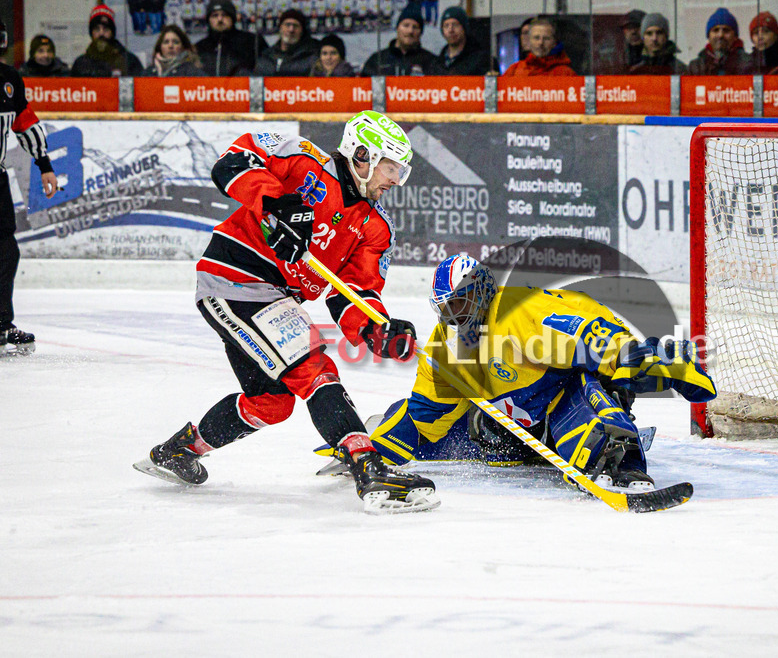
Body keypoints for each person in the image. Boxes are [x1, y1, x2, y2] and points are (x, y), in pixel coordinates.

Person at [133, 110, 437, 513]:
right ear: (362, 155)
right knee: (313, 367)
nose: (396, 180)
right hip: (235, 277)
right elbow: (233, 161)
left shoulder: (376, 227)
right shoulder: (304, 159)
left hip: (274, 296)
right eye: (391, 167)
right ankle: (367, 466)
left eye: (401, 171)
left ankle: (177, 452)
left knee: (270, 403)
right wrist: (276, 203)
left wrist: (377, 329)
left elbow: (352, 293)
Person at [350, 254, 716, 493]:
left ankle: (620, 458)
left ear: (481, 289)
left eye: (460, 303)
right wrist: (370, 453)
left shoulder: (517, 312)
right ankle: (373, 433)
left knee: (586, 412)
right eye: (446, 310)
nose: (455, 317)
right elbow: (427, 415)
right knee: (441, 436)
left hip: (566, 387)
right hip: (516, 422)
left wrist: (631, 358)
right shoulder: (446, 347)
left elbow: (588, 334)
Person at [0, 19, 59, 356]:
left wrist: (44, 164)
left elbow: (25, 123)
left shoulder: (8, 79)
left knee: (6, 251)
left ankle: (1, 323)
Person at [195, 0, 268, 77]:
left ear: (232, 18)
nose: (220, 19)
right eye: (215, 15)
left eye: (224, 15)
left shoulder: (252, 42)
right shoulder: (200, 48)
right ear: (208, 20)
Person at [71, 4, 144, 77]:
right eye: (97, 29)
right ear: (91, 33)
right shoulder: (81, 65)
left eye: (106, 29)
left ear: (112, 33)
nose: (101, 33)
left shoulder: (129, 62)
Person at [361, 6, 435, 76]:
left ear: (421, 32)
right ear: (397, 28)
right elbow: (363, 84)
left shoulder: (431, 62)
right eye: (406, 25)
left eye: (415, 27)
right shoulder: (377, 60)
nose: (410, 31)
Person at [687, 7, 752, 75]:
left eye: (726, 30)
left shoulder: (748, 64)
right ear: (708, 36)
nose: (720, 35)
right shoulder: (695, 67)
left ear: (735, 36)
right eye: (716, 30)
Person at [255, 9, 320, 77]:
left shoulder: (311, 57)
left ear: (302, 31)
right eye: (287, 25)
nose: (291, 30)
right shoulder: (267, 56)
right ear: (280, 28)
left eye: (296, 26)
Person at [503, 17, 576, 76]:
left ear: (554, 43)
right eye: (536, 38)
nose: (540, 43)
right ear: (529, 40)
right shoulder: (514, 70)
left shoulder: (566, 73)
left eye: (546, 38)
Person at [429, 6, 491, 75]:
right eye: (446, 26)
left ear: (464, 28)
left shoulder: (481, 61)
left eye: (455, 25)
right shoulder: (436, 64)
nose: (450, 30)